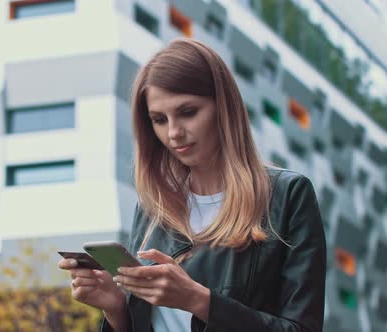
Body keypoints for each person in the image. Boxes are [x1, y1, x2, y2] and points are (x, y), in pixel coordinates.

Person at [58, 37, 326, 332]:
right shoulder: (153, 209)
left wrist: (199, 301)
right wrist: (116, 309)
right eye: (159, 119)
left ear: (223, 107)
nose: (173, 133)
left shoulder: (287, 195)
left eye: (188, 112)